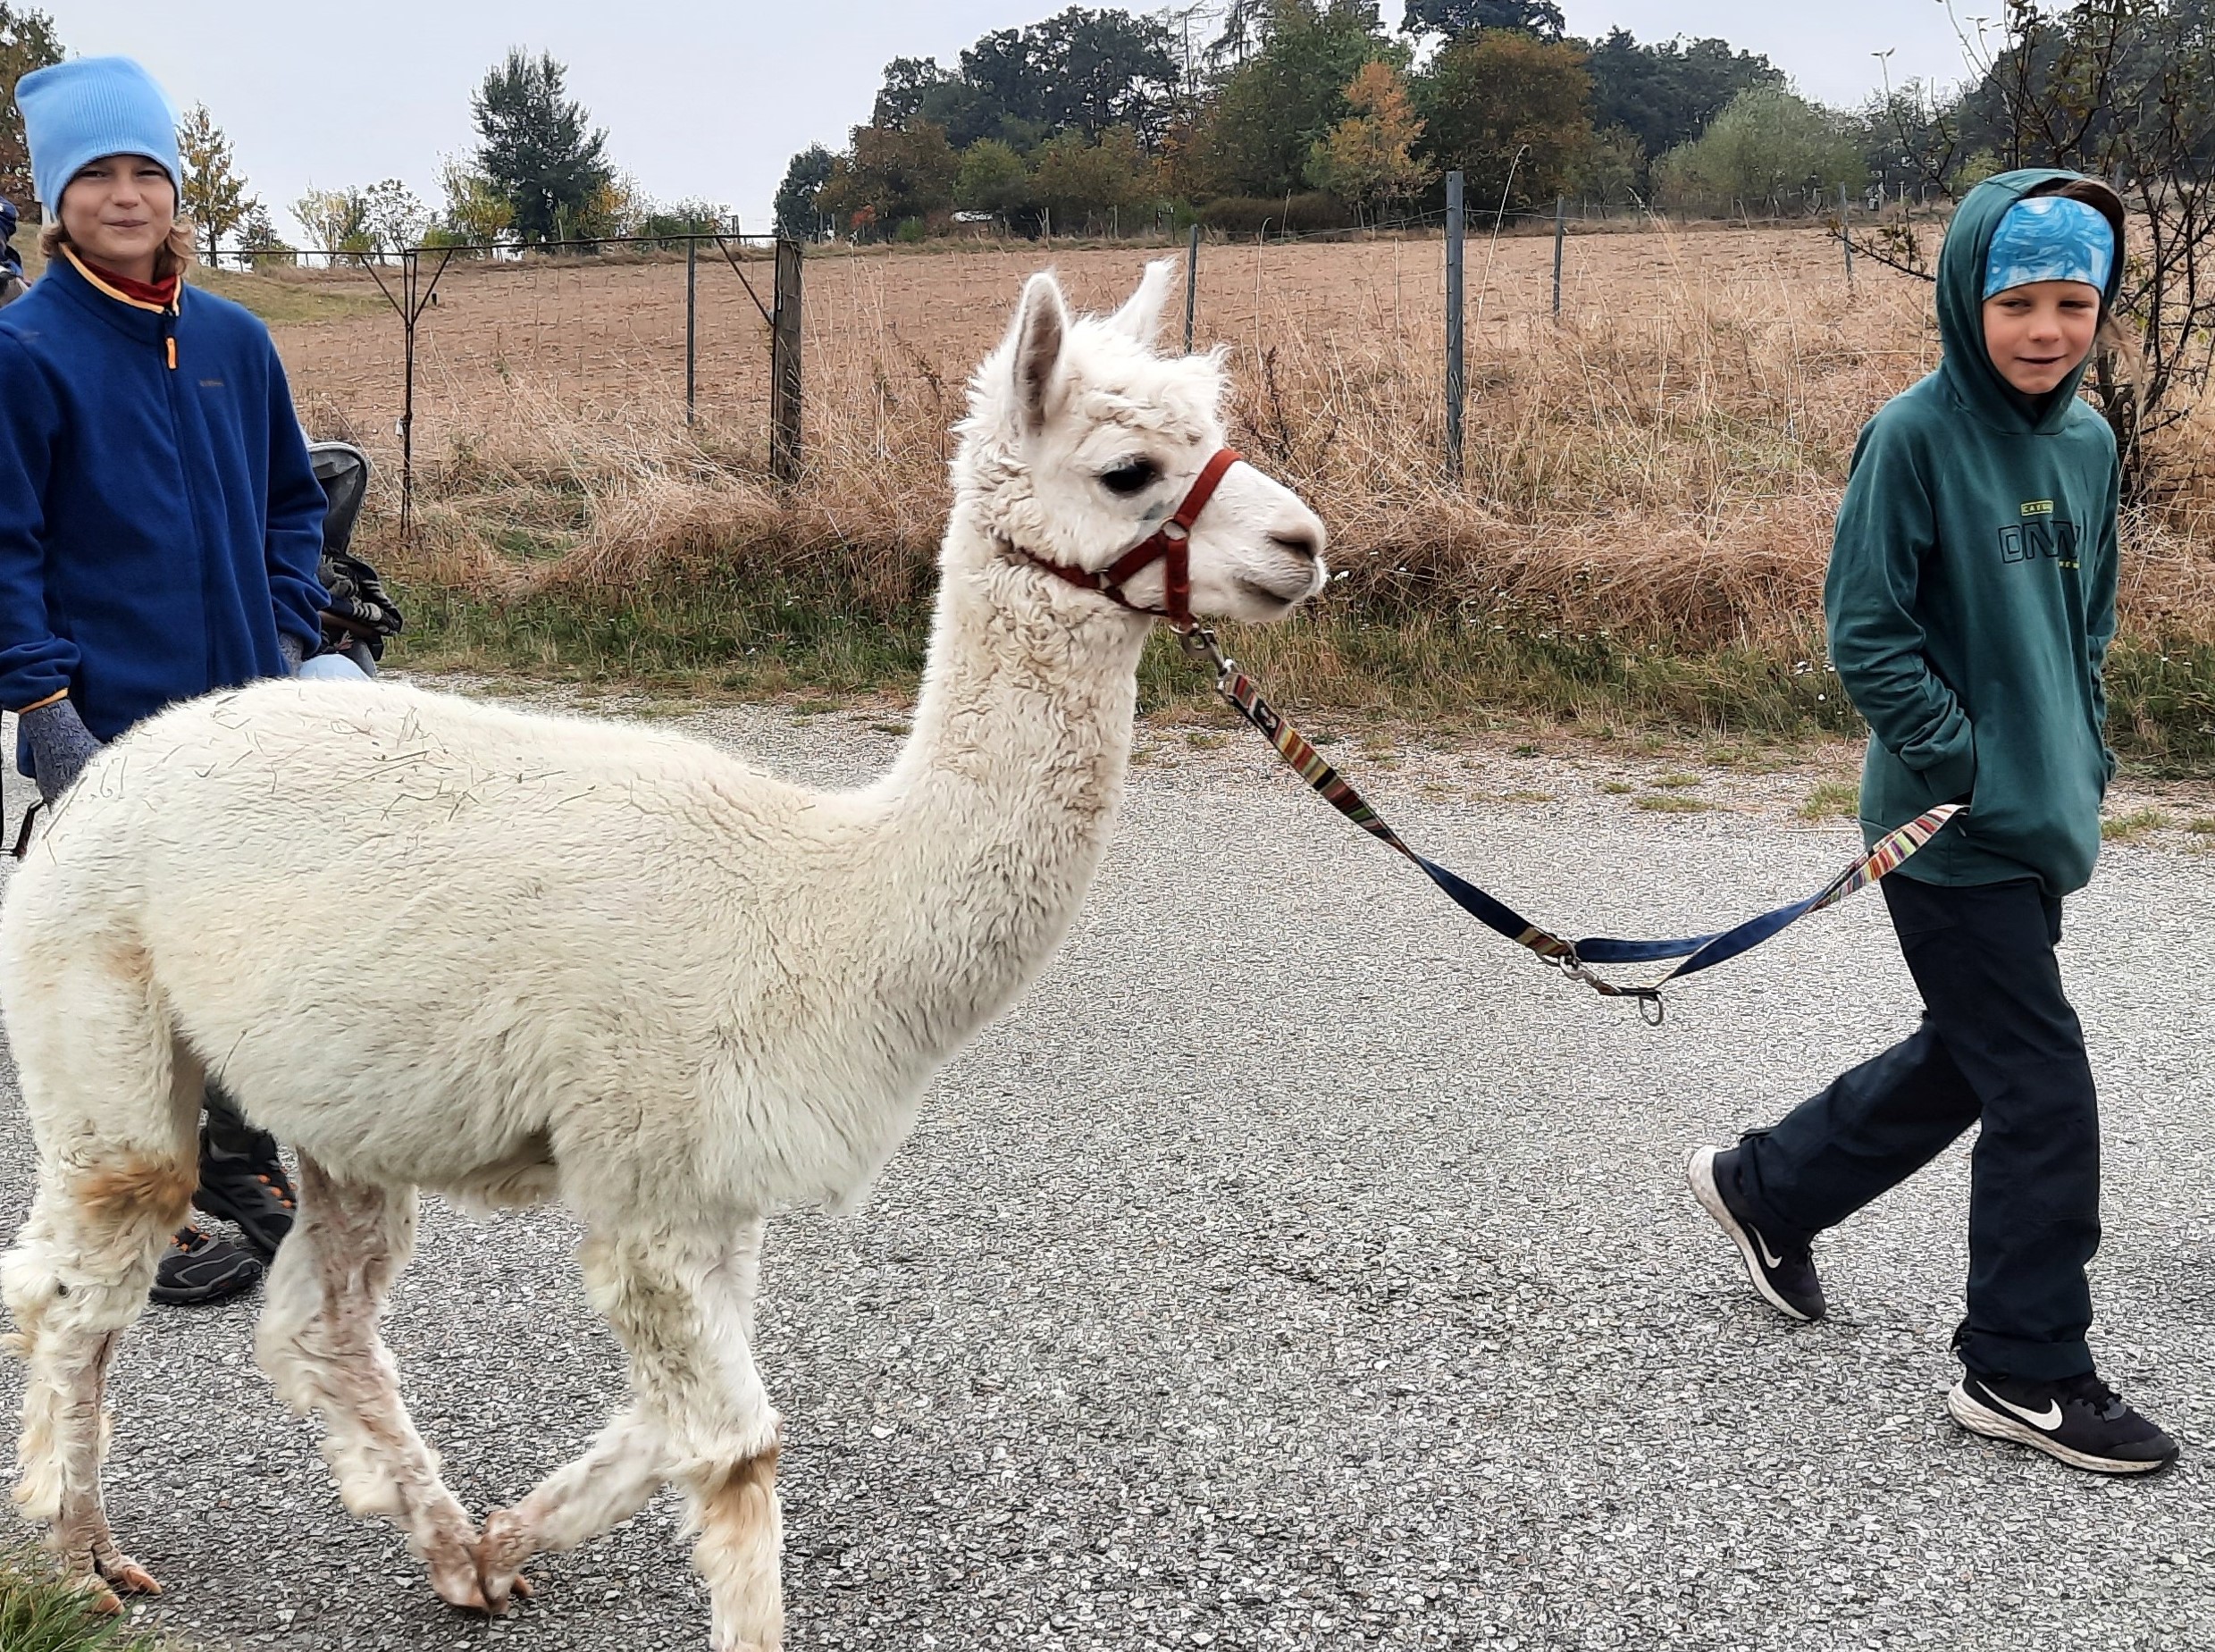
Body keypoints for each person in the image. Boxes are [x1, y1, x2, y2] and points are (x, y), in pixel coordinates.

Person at [1687, 169, 2177, 1476]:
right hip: (1948, 829)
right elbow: (1868, 632)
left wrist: (2081, 742)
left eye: (2074, 301)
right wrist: (1970, 763)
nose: (2046, 328)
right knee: (2044, 1089)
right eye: (2017, 299)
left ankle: (1766, 1186)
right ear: (1969, 295)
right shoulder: (1913, 435)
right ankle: (2024, 1366)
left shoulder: (2085, 443)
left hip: (2039, 812)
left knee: (1973, 1056)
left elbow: (2091, 621)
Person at [0, 57, 326, 1305]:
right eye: (97, 176)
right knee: (117, 975)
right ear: (56, 197)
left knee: (245, 937)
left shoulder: (236, 343)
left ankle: (228, 1164)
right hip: (109, 717)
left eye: (147, 172)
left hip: (246, 710)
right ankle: (167, 1199)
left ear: (178, 191)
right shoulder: (25, 355)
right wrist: (44, 711)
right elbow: (7, 548)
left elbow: (295, 507)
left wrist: (286, 633)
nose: (126, 196)